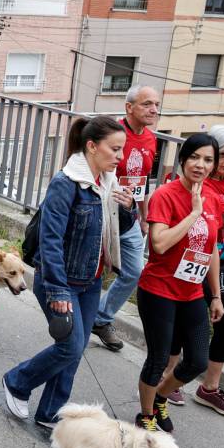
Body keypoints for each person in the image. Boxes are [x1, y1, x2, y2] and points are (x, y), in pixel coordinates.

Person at [2, 117, 130, 429]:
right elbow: (50, 240)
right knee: (70, 346)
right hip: (59, 281)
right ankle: (17, 381)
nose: (120, 156)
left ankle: (50, 412)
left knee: (76, 349)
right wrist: (59, 291)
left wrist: (127, 209)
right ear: (92, 146)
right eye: (114, 149)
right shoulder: (66, 183)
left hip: (91, 279)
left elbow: (114, 231)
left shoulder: (107, 183)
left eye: (122, 150)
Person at [156, 126, 224, 415]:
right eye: (223, 155)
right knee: (184, 321)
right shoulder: (203, 184)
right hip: (192, 259)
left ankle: (209, 388)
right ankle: (168, 378)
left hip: (221, 261)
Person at [134, 133, 224, 433]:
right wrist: (194, 213)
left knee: (198, 360)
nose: (201, 165)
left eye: (208, 160)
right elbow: (159, 244)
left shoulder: (211, 197)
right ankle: (146, 416)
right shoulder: (166, 194)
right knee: (159, 358)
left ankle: (161, 395)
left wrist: (215, 295)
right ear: (184, 159)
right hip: (158, 290)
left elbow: (210, 249)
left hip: (192, 293)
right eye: (195, 157)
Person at [92, 85, 160, 351]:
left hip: (129, 216)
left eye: (156, 104)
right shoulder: (111, 134)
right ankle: (81, 318)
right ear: (129, 107)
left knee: (133, 272)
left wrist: (144, 216)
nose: (153, 110)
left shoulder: (152, 139)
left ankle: (101, 318)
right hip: (100, 214)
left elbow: (142, 181)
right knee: (94, 272)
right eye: (147, 104)